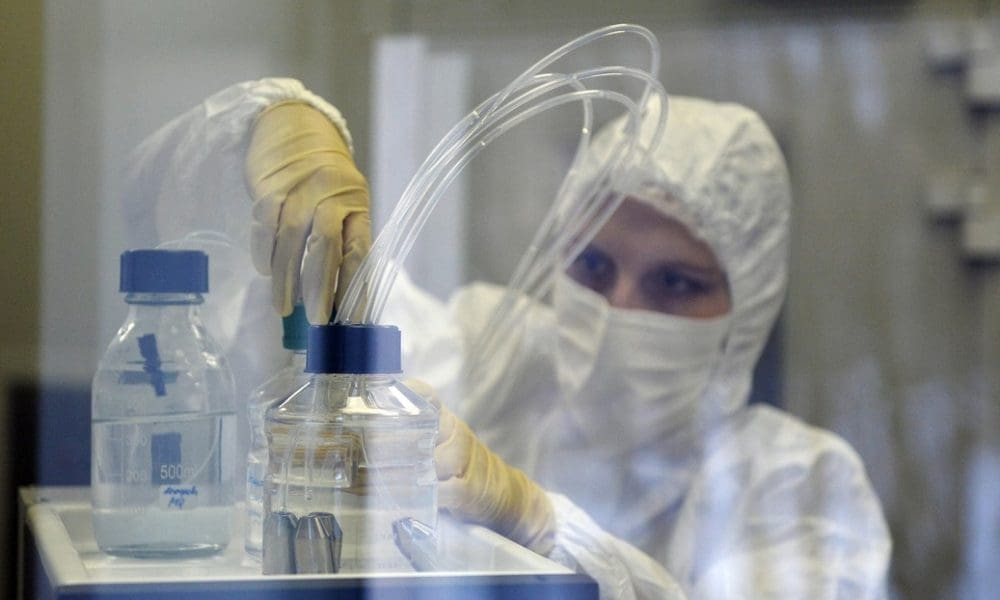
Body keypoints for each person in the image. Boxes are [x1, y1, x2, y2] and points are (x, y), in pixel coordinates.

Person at [124, 77, 891, 598]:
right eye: (593, 266)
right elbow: (237, 284)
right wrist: (272, 130)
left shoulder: (798, 484)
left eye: (675, 283)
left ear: (747, 312)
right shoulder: (492, 358)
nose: (619, 307)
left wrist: (537, 520)